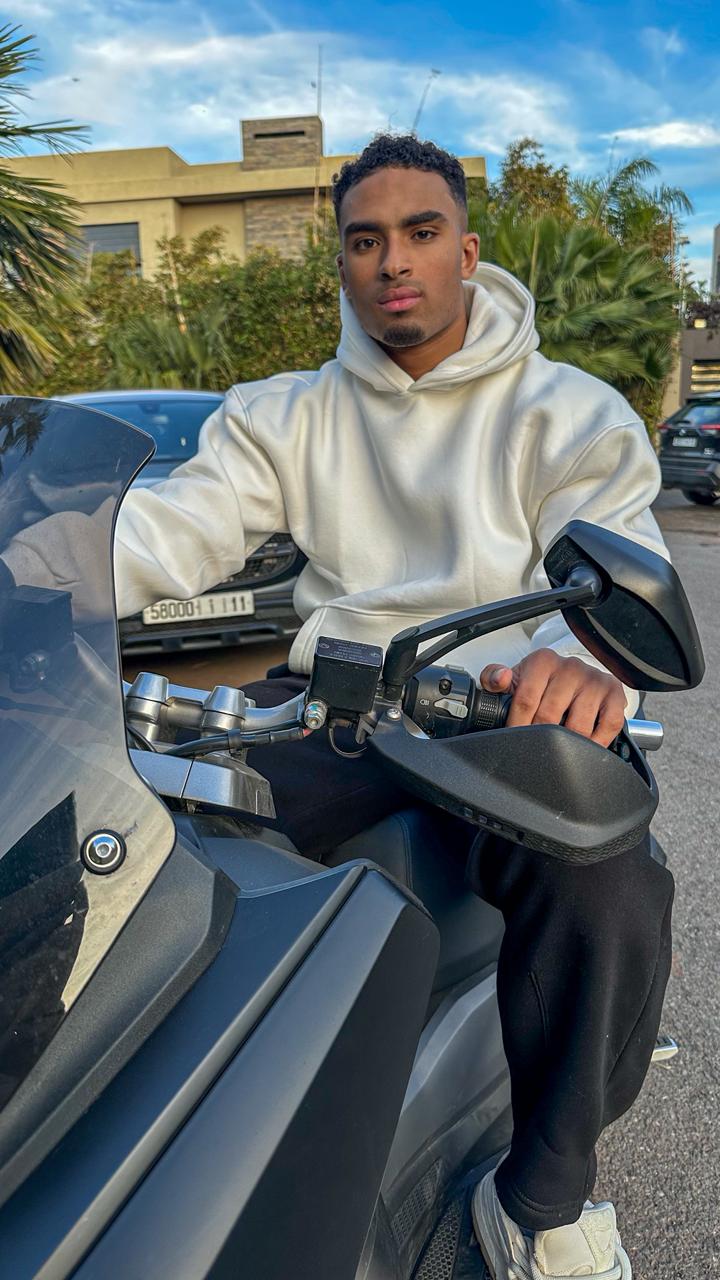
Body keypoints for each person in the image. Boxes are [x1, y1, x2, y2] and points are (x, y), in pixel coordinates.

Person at [3, 136, 673, 1280]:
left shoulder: (570, 410)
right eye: (365, 240)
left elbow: (607, 561)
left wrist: (577, 658)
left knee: (608, 876)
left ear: (467, 250)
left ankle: (544, 1196)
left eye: (419, 233)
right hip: (333, 700)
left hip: (498, 706)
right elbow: (172, 525)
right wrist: (36, 556)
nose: (392, 260)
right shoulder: (288, 411)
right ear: (344, 263)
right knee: (121, 827)